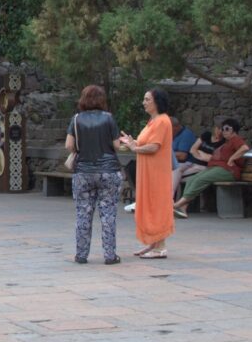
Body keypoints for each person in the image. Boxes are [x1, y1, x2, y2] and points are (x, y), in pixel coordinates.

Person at [65, 85, 123, 264]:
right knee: (108, 214)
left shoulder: (76, 119)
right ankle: (110, 255)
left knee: (83, 213)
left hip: (83, 172)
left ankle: (81, 254)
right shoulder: (109, 118)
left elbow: (68, 145)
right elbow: (117, 146)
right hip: (108, 171)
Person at [119, 89, 174, 258]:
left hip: (156, 172)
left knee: (156, 205)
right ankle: (154, 243)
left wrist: (135, 148)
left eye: (147, 99)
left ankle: (160, 247)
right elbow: (145, 144)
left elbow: (154, 147)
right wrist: (132, 142)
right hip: (148, 171)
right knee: (150, 204)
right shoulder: (152, 121)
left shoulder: (162, 121)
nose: (144, 102)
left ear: (157, 102)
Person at [174, 119, 250, 218]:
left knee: (201, 180)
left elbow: (244, 148)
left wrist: (232, 158)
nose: (224, 131)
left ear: (234, 130)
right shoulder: (228, 142)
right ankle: (183, 208)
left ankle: (177, 205)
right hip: (217, 168)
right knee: (192, 179)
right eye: (223, 129)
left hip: (228, 171)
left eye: (227, 129)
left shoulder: (236, 139)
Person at [125, 116, 197, 211]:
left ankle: (166, 200)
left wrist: (162, 152)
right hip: (168, 160)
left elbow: (182, 155)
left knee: (171, 171)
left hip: (184, 162)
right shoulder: (169, 133)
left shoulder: (186, 135)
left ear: (175, 127)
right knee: (134, 166)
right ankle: (144, 200)